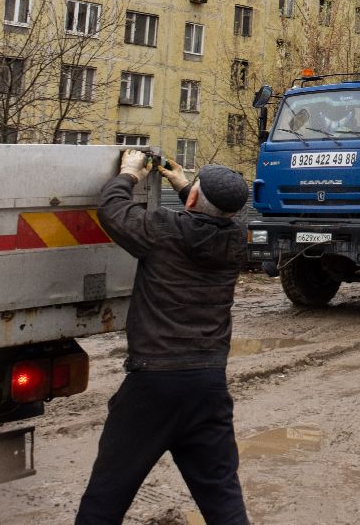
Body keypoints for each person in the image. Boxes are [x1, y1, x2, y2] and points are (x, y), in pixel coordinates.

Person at [76, 151, 252, 525]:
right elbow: (211, 219)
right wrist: (187, 184)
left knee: (105, 500)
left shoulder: (162, 229)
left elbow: (113, 211)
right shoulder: (236, 240)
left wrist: (127, 173)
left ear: (190, 202)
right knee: (223, 500)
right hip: (208, 387)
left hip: (152, 387)